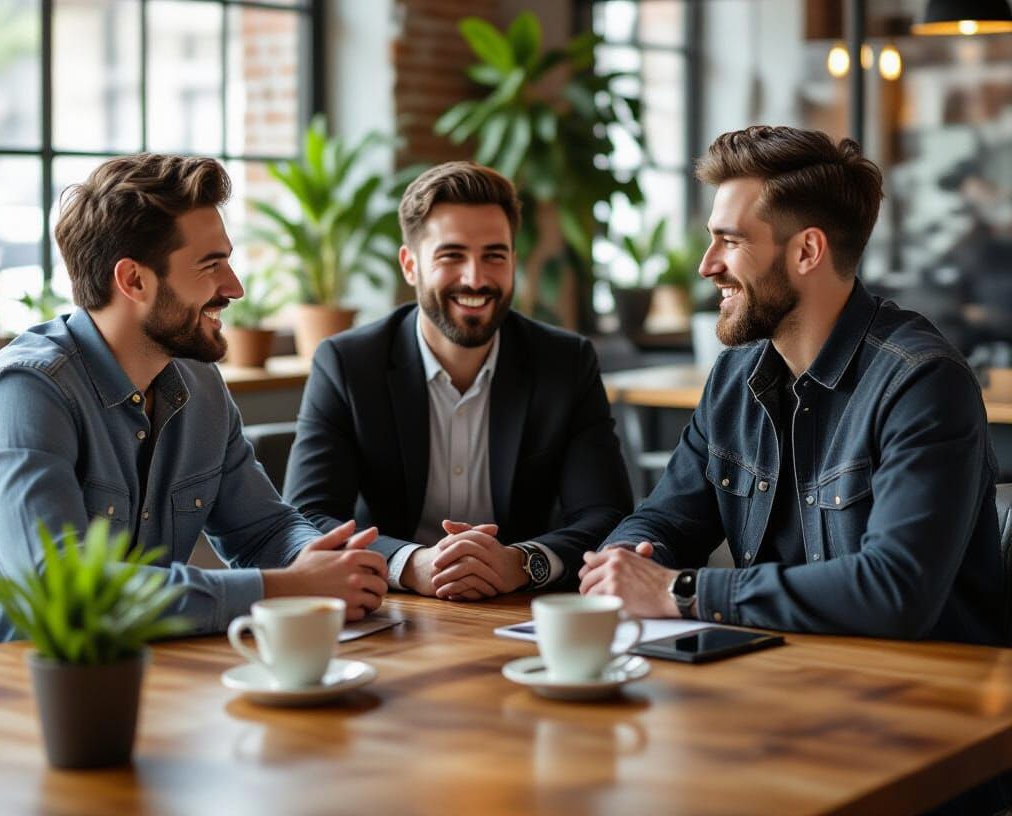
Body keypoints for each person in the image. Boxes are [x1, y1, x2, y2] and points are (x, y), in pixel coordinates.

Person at [581, 125, 1005, 647]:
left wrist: (683, 591)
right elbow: (667, 517)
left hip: (921, 702)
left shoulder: (922, 383)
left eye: (731, 241)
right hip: (782, 682)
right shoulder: (736, 374)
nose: (707, 265)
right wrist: (624, 563)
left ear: (807, 251)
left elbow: (895, 591)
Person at [0, 154, 387, 644]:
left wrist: (319, 560)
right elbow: (63, 591)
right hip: (27, 695)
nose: (234, 287)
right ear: (133, 280)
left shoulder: (199, 383)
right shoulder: (27, 391)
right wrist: (281, 588)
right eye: (210, 265)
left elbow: (263, 529)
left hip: (156, 677)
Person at [284, 161, 633, 601]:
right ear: (410, 265)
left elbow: (606, 513)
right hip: (393, 607)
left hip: (524, 608)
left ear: (514, 262)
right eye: (452, 255)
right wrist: (409, 564)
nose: (476, 278)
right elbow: (308, 515)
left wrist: (523, 562)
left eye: (494, 255)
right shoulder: (348, 363)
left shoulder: (565, 362)